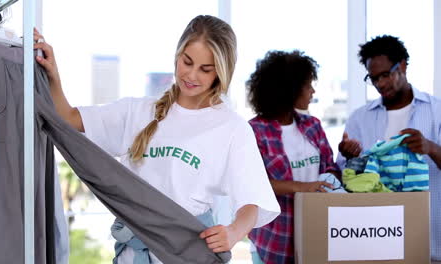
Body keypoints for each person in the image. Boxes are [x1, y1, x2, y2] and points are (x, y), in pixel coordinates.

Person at [34, 15, 280, 263]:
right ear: (177, 55)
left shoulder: (231, 128)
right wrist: (53, 73)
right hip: (133, 254)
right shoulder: (137, 112)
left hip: (188, 254)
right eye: (187, 62)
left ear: (221, 72)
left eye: (205, 69)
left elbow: (253, 201)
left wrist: (234, 231)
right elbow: (68, 118)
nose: (192, 75)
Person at [336, 35, 441, 260]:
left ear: (402, 65)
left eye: (386, 75)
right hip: (375, 239)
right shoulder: (359, 119)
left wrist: (431, 147)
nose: (380, 84)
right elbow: (347, 180)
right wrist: (349, 157)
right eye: (373, 78)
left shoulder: (437, 111)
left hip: (431, 240)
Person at [246, 50, 341, 263]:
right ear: (290, 89)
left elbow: (330, 169)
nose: (312, 91)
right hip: (273, 241)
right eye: (308, 85)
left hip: (316, 233)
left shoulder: (313, 125)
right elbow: (254, 185)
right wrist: (303, 187)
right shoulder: (254, 131)